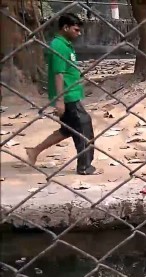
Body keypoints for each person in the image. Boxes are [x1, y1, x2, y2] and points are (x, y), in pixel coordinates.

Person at [26, 13, 101, 175]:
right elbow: (58, 74)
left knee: (68, 129)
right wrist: (60, 101)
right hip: (68, 96)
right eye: (76, 29)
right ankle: (84, 166)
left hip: (71, 93)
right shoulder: (59, 46)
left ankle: (35, 151)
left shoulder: (65, 44)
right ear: (65, 27)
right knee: (83, 127)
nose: (79, 33)